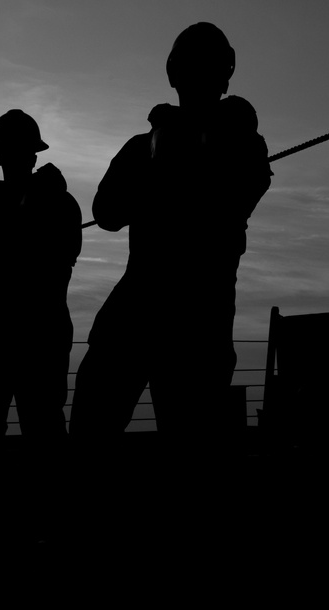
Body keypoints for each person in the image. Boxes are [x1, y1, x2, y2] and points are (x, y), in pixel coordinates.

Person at [70, 23, 272, 439]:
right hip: (150, 310)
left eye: (205, 68)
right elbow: (106, 212)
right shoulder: (142, 147)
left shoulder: (241, 142)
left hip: (195, 316)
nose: (198, 78)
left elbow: (240, 197)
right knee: (95, 425)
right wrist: (156, 163)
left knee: (185, 438)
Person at [0, 110, 82, 443]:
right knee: (16, 424)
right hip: (21, 323)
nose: (7, 159)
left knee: (37, 424)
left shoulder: (56, 203)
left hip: (38, 322)